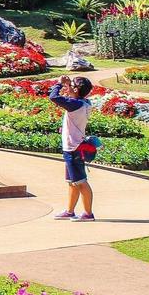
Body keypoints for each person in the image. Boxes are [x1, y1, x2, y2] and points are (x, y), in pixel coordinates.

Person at [48, 75, 96, 222]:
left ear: (76, 89)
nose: (68, 87)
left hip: (73, 148)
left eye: (72, 85)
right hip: (73, 146)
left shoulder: (75, 104)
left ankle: (88, 214)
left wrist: (59, 84)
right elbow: (71, 96)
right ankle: (70, 211)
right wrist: (70, 87)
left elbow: (53, 97)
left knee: (80, 181)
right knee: (72, 182)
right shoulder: (83, 102)